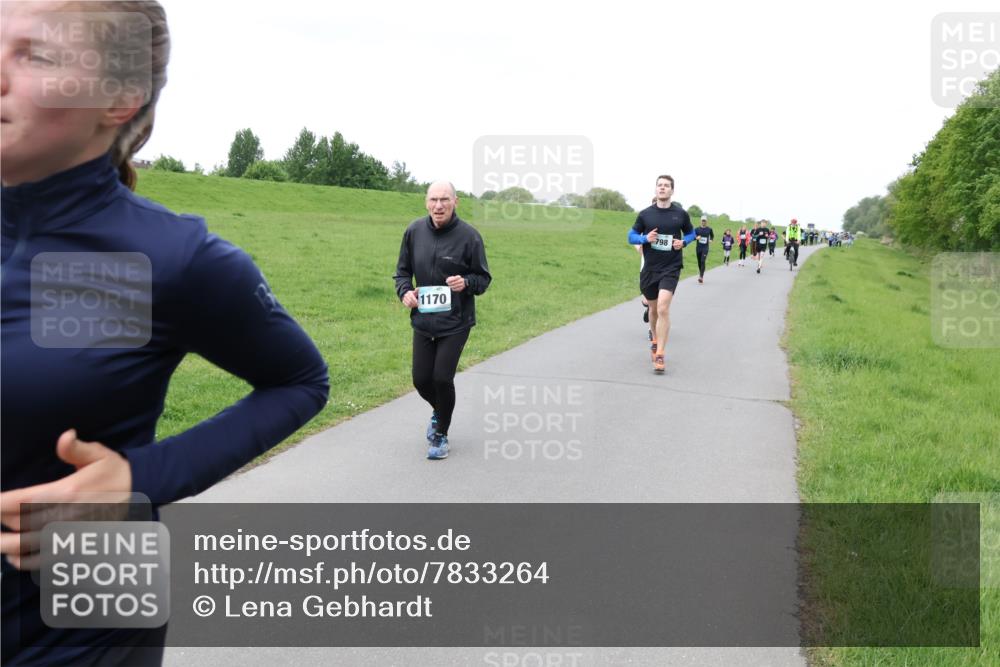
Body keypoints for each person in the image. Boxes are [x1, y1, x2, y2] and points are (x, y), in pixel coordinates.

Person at [0, 2, 329, 664]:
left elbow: (299, 381)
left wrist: (135, 480)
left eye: (36, 55)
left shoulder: (169, 261)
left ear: (119, 98)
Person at [395, 182, 491, 460]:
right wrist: (405, 293)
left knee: (441, 377)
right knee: (421, 379)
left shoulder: (469, 236)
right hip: (423, 320)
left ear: (455, 202)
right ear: (426, 202)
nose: (439, 205)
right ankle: (440, 411)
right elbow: (402, 272)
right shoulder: (414, 232)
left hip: (456, 321)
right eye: (434, 200)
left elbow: (483, 279)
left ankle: (441, 434)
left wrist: (466, 282)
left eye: (445, 200)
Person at [627, 175, 694, 373]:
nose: (662, 188)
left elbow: (690, 233)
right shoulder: (645, 214)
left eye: (666, 186)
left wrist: (684, 242)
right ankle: (655, 339)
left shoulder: (680, 214)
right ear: (656, 190)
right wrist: (644, 238)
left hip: (671, 267)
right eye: (660, 185)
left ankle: (661, 354)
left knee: (663, 308)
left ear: (672, 190)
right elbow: (630, 236)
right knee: (654, 310)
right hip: (649, 268)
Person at [694, 215, 714, 283]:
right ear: (701, 221)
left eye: (704, 221)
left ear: (706, 221)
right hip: (698, 248)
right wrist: (696, 237)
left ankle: (701, 277)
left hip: (705, 247)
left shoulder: (709, 229)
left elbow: (712, 235)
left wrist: (711, 239)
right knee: (699, 262)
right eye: (702, 221)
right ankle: (701, 273)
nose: (703, 222)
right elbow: (693, 236)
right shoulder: (696, 229)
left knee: (703, 261)